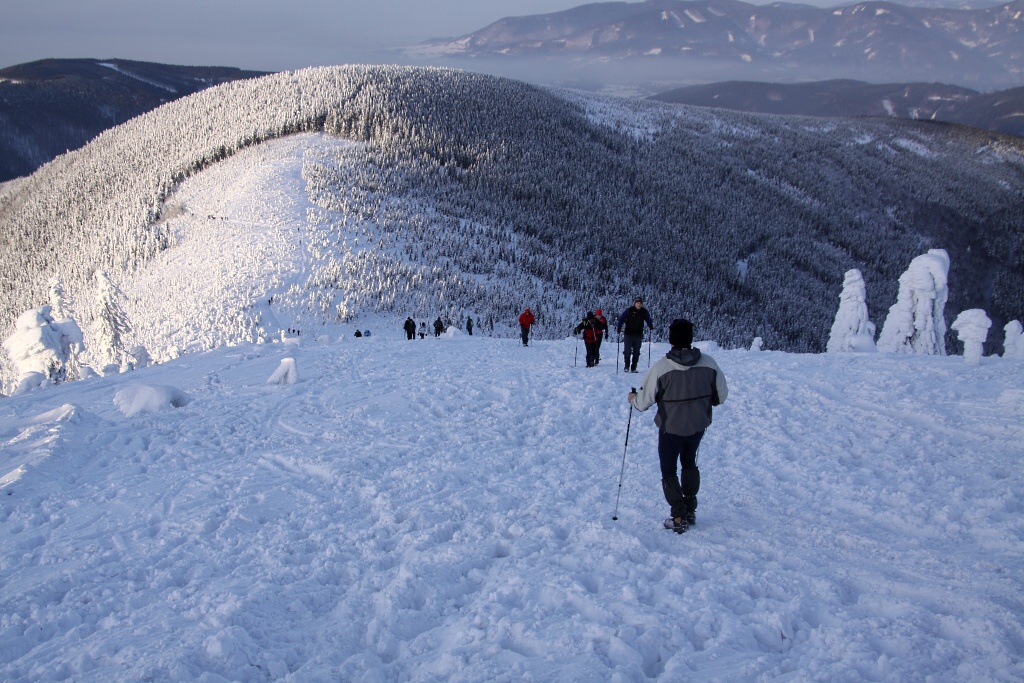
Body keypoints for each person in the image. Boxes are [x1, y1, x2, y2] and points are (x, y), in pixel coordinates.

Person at [627, 319, 728, 534]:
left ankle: (679, 513)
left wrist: (633, 399)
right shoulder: (709, 364)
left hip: (670, 428)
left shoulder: (662, 368)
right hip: (698, 425)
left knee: (669, 468)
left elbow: (643, 403)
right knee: (689, 462)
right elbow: (721, 396)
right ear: (690, 338)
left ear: (671, 340)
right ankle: (690, 507)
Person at [617, 298, 653, 373]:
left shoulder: (644, 311)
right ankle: (626, 366)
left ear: (641, 304)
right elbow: (622, 318)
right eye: (637, 303)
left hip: (638, 334)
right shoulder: (629, 310)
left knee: (636, 351)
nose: (638, 304)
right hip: (628, 334)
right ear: (635, 303)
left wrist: (650, 325)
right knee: (627, 351)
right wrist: (619, 327)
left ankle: (633, 368)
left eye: (640, 303)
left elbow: (648, 319)